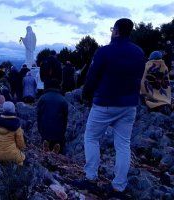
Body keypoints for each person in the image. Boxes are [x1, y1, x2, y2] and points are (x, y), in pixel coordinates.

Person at [79, 18, 145, 195]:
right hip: (129, 105)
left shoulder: (104, 52)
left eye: (112, 29)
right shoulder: (139, 52)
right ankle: (118, 186)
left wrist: (86, 95)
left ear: (115, 31)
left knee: (91, 137)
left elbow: (92, 77)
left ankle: (91, 178)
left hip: (105, 103)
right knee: (123, 145)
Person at [37, 88, 68, 154]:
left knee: (45, 148)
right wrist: (63, 132)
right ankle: (56, 154)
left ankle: (46, 152)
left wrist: (40, 130)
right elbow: (65, 118)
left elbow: (38, 116)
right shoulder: (63, 99)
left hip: (45, 131)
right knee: (59, 149)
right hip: (58, 133)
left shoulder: (42, 98)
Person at [140, 51, 172, 115]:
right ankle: (163, 102)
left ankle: (153, 103)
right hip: (163, 95)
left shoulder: (147, 65)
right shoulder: (164, 66)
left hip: (149, 94)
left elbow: (143, 80)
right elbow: (166, 81)